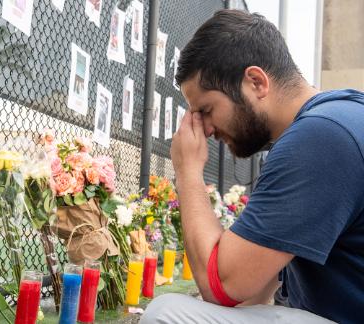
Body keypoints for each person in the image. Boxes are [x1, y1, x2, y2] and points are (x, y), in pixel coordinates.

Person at [140, 9, 364, 324]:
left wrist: (187, 172)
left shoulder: (320, 138)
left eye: (206, 109)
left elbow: (221, 287)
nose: (206, 130)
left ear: (256, 82)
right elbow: (249, 294)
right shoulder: (336, 119)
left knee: (165, 315)